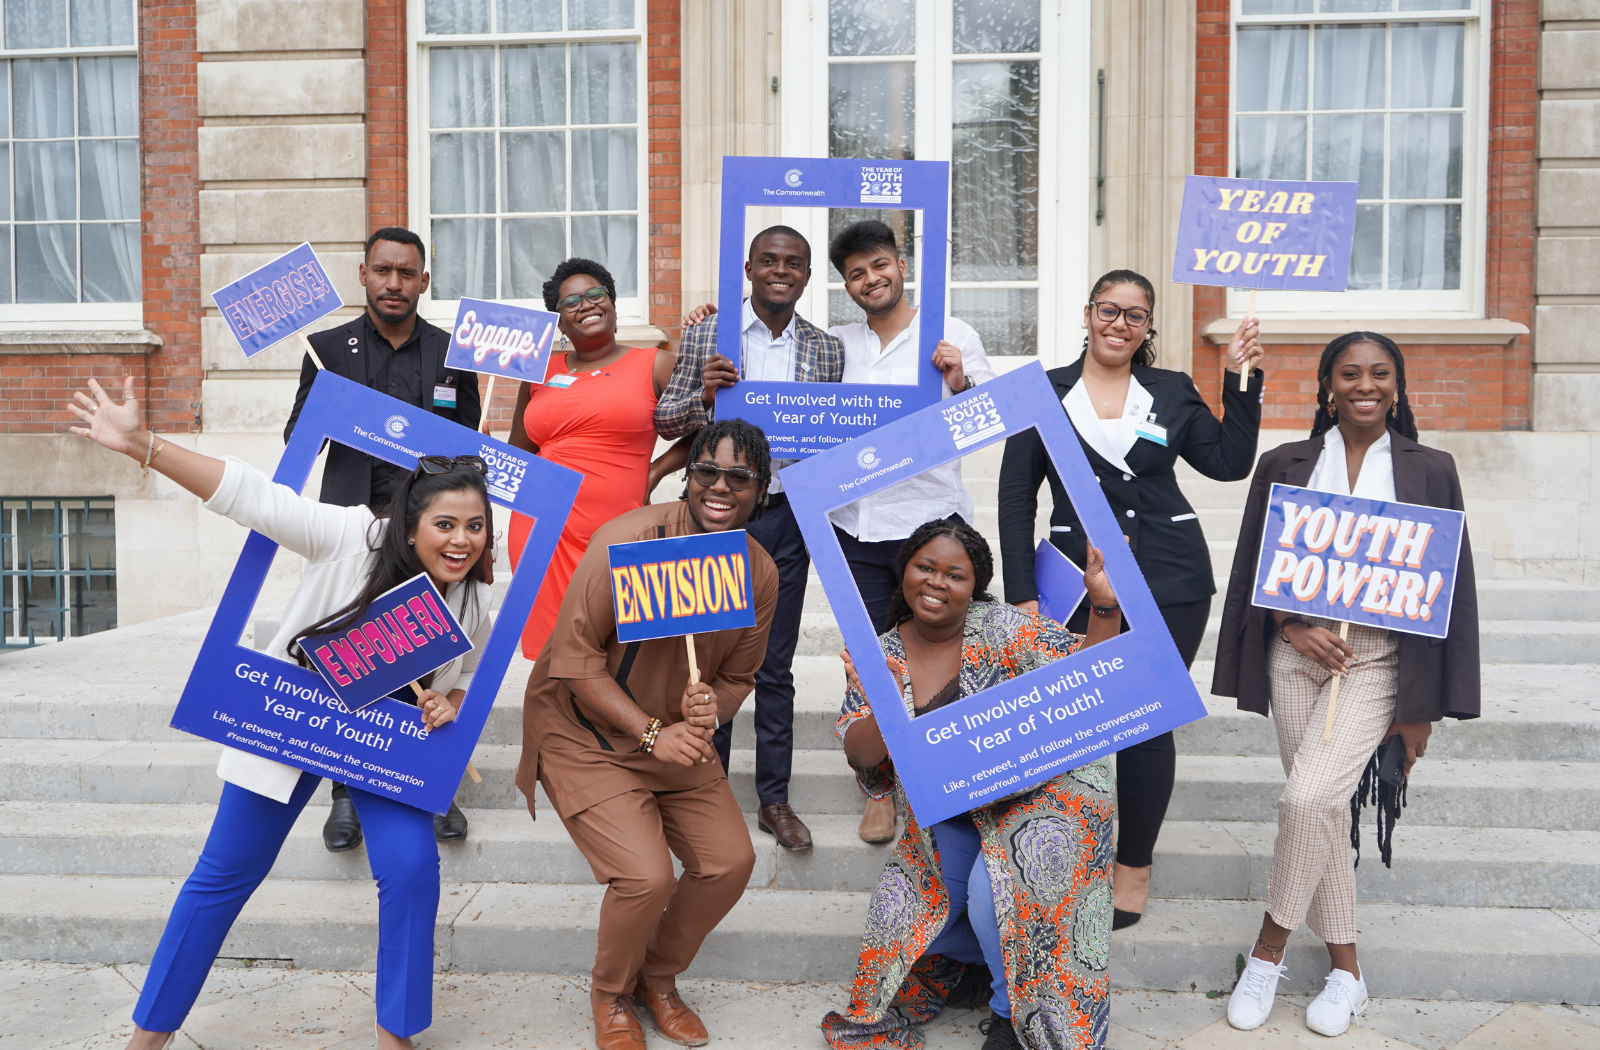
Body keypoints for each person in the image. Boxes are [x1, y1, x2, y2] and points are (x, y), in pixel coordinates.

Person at [69, 377, 493, 1050]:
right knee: (224, 872)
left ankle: (398, 1036)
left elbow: (467, 674)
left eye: (475, 526)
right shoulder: (352, 535)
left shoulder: (469, 598)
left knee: (412, 870)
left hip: (386, 744)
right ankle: (148, 1036)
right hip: (295, 719)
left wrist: (451, 701)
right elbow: (252, 496)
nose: (462, 540)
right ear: (410, 523)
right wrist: (142, 445)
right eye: (445, 524)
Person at [1213, 332, 1480, 1037]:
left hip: (1380, 663)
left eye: (1380, 373)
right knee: (1322, 812)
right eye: (1350, 373)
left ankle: (1266, 952)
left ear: (1397, 383)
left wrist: (1422, 711)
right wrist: (1292, 625)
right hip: (1297, 659)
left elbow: (1452, 591)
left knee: (1306, 798)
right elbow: (1255, 563)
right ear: (1328, 385)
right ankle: (1347, 974)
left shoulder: (1431, 469)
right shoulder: (1286, 463)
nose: (1366, 385)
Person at [996, 269, 1264, 929]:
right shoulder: (1042, 391)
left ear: (1147, 328)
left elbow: (1229, 463)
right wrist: (1022, 593)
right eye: (1110, 311)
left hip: (1171, 575)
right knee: (1069, 719)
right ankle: (1056, 853)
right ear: (1088, 314)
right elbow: (1014, 496)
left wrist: (1241, 381)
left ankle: (1133, 866)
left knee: (1144, 720)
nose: (1120, 324)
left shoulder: (1170, 389)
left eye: (1135, 315)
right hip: (1068, 583)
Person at [516, 419, 779, 1050]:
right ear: (686, 478)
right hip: (586, 733)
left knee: (729, 862)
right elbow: (574, 662)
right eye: (706, 472)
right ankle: (610, 994)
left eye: (739, 477)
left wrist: (710, 709)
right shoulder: (627, 540)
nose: (720, 487)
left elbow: (741, 677)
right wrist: (651, 732)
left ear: (761, 491)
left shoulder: (759, 571)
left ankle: (656, 980)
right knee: (645, 877)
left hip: (674, 738)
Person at [820, 520, 1123, 1050]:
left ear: (975, 585)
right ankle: (979, 965)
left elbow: (1089, 675)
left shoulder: (1002, 627)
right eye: (925, 567)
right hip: (958, 812)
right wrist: (889, 707)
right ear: (905, 570)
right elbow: (863, 757)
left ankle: (1011, 1017)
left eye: (954, 574)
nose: (936, 582)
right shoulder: (879, 652)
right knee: (908, 921)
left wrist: (1104, 607)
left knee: (993, 895)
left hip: (1040, 794)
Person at [284, 225, 482, 851]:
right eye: (382, 271)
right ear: (363, 274)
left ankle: (428, 781)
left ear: (424, 281)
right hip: (356, 533)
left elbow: (469, 446)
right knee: (354, 656)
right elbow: (300, 440)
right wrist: (328, 413)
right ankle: (346, 793)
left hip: (430, 534)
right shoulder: (324, 350)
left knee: (425, 656)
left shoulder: (454, 352)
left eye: (407, 273)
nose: (393, 283)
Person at [658, 226, 846, 851]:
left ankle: (774, 798)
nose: (780, 271)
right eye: (769, 260)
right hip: (713, 513)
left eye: (794, 262)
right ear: (748, 267)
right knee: (705, 657)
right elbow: (666, 420)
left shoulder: (826, 350)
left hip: (785, 518)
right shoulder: (708, 335)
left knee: (775, 661)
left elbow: (833, 433)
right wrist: (704, 394)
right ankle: (701, 790)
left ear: (808, 274)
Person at [823, 218, 997, 844]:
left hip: (931, 528)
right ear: (847, 287)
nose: (871, 279)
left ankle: (953, 777)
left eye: (879, 265)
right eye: (856, 274)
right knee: (868, 663)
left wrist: (960, 382)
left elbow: (989, 426)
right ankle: (878, 786)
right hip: (854, 526)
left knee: (947, 655)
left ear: (901, 265)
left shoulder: (951, 335)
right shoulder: (836, 343)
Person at [504, 257, 685, 661]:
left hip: (620, 529)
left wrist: (656, 470)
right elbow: (520, 453)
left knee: (621, 655)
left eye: (595, 295)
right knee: (554, 660)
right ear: (560, 324)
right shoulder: (537, 373)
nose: (585, 305)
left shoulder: (655, 363)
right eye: (571, 303)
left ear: (614, 305)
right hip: (540, 531)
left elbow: (707, 429)